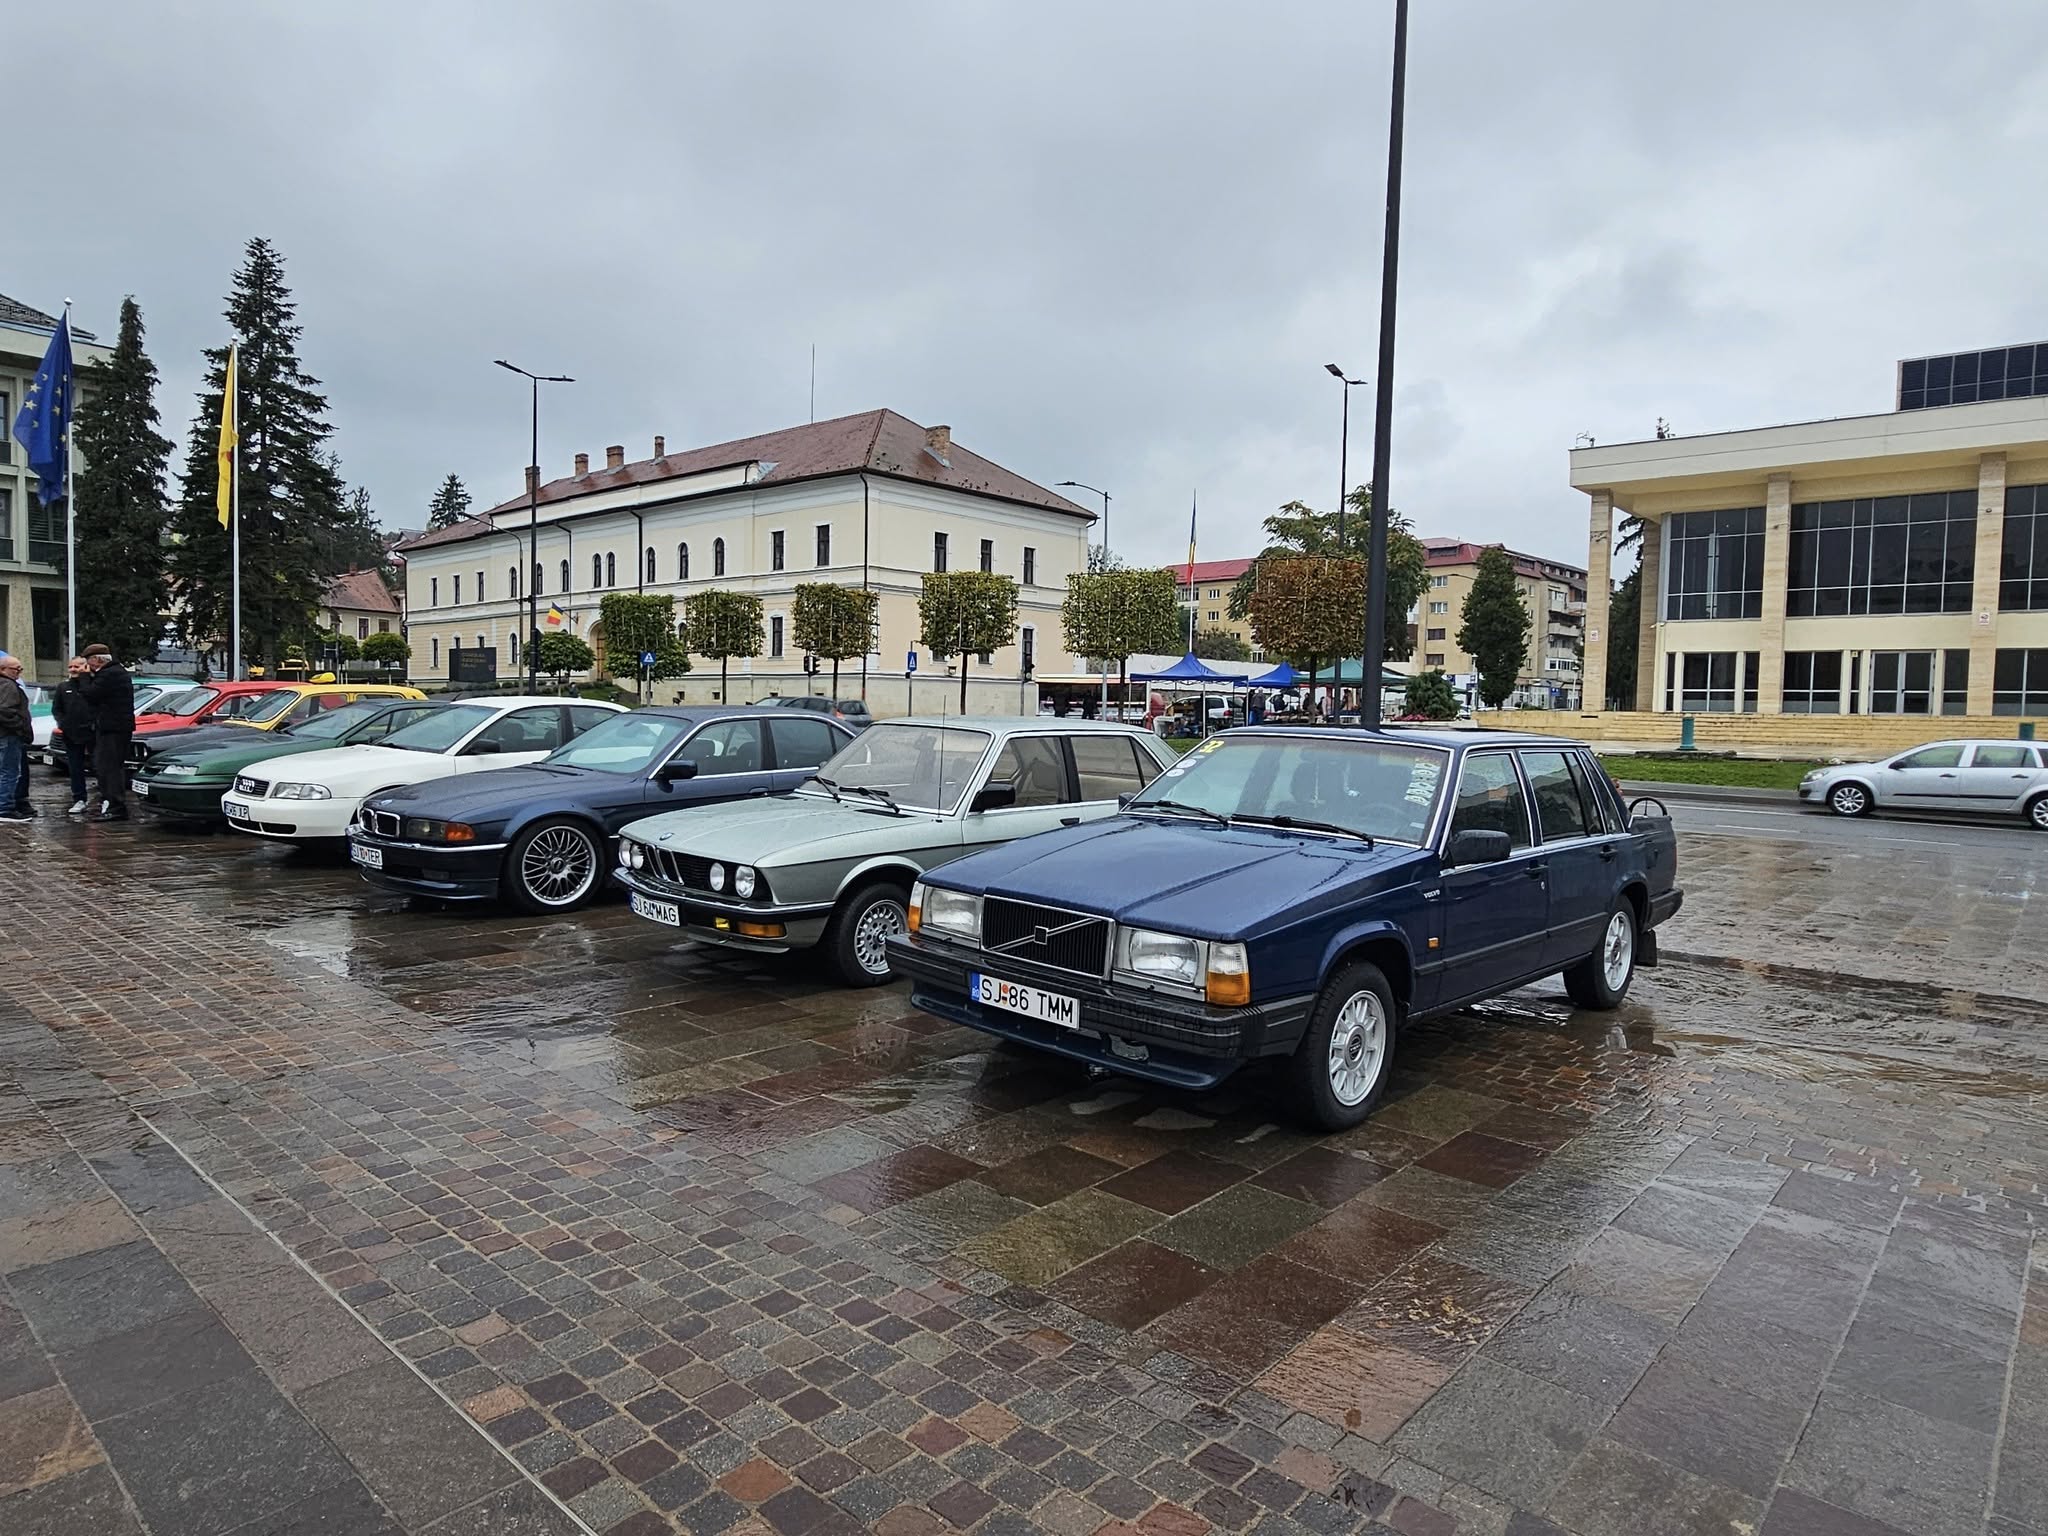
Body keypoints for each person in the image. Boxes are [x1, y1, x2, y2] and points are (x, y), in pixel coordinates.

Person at [80, 644, 136, 821]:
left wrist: (84, 677)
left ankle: (116, 806)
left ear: (97, 659)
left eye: (89, 661)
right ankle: (110, 803)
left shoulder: (110, 674)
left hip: (113, 728)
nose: (88, 666)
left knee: (110, 768)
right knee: (106, 766)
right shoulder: (114, 672)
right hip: (112, 727)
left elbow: (91, 694)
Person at [52, 657, 98, 814]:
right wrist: (63, 724)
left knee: (99, 766)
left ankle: (106, 798)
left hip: (93, 734)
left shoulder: (93, 685)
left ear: (85, 667)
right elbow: (57, 709)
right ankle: (79, 799)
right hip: (72, 734)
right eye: (70, 666)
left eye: (77, 666)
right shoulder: (63, 687)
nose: (73, 669)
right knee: (75, 768)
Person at [0, 654, 33, 823]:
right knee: (9, 772)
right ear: (3, 669)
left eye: (20, 669)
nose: (19, 672)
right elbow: (5, 711)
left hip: (7, 734)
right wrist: (19, 727)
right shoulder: (7, 685)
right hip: (9, 735)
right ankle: (5, 808)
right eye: (15, 669)